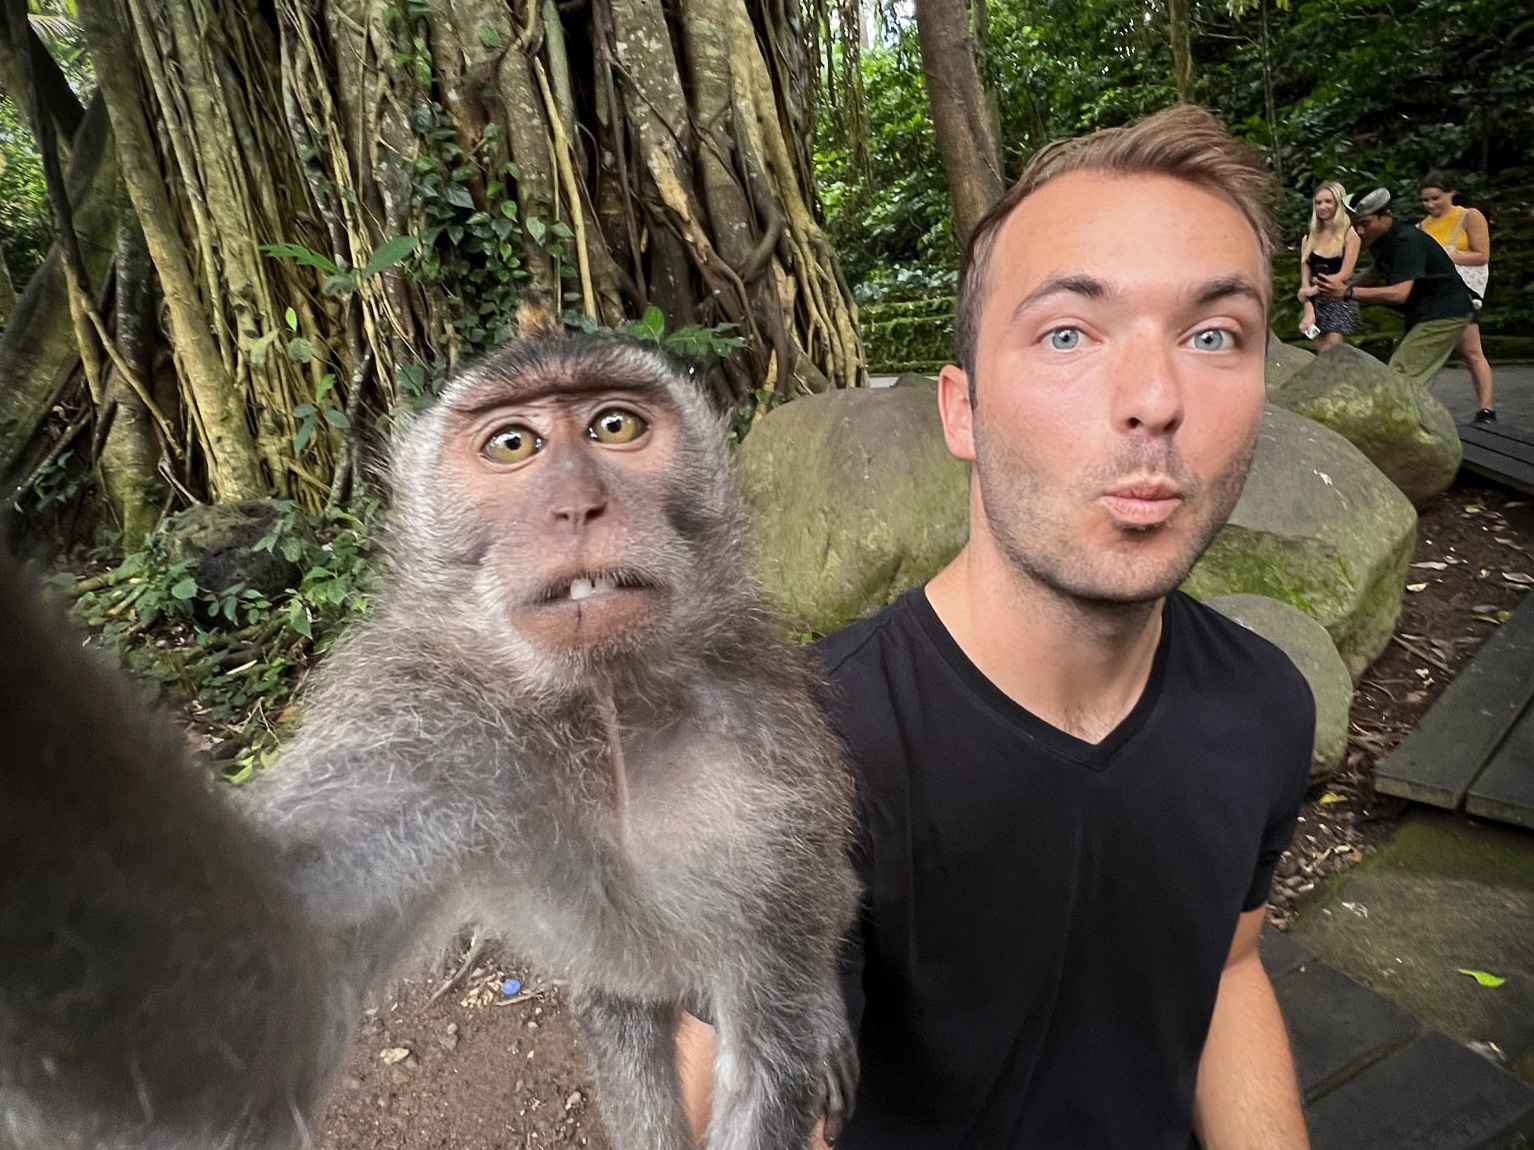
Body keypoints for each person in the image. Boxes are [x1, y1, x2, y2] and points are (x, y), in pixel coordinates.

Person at [680, 103, 1315, 1150]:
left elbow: (1230, 967)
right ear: (960, 409)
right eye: (1068, 332)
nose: (1155, 398)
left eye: (1212, 335)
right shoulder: (798, 760)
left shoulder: (1262, 705)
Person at [1317, 187, 1474, 403]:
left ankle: (1409, 430)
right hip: (1424, 313)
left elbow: (1399, 293)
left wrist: (1347, 292)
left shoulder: (1406, 240)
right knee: (1407, 377)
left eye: (1365, 223)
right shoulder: (1381, 239)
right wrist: (1339, 289)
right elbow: (1378, 271)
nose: (1360, 231)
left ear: (1386, 215)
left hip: (1444, 312)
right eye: (1356, 225)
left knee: (1401, 376)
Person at [1419, 170, 1495, 422]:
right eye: (1425, 200)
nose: (1430, 205)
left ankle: (1486, 408)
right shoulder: (1422, 226)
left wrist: (1446, 256)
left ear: (1451, 193)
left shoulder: (1469, 216)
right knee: (1427, 352)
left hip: (1462, 291)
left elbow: (1482, 255)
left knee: (1472, 351)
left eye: (1435, 198)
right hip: (1434, 292)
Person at [1296, 181, 1361, 349]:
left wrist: (1314, 290)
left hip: (1339, 299)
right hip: (1314, 302)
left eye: (1328, 201)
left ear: (1338, 204)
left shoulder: (1350, 235)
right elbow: (1305, 282)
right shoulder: (1309, 238)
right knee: (1317, 343)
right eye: (1318, 202)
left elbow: (1344, 275)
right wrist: (1308, 309)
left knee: (1333, 346)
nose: (1322, 206)